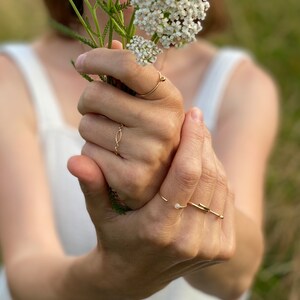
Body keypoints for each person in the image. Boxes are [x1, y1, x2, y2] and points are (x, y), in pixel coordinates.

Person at [0, 0, 278, 299]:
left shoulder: (241, 84)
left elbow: (238, 276)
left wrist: (170, 174)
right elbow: (25, 270)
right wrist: (115, 276)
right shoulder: (11, 77)